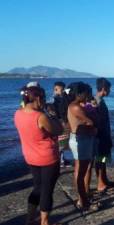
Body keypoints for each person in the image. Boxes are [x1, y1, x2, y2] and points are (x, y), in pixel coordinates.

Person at [15, 85, 62, 225]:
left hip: (30, 156)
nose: (45, 101)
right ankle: (45, 222)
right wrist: (52, 115)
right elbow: (58, 130)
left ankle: (29, 218)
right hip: (47, 158)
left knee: (37, 187)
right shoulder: (40, 116)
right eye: (44, 98)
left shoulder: (18, 113)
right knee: (47, 191)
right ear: (38, 98)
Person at [67, 82, 98, 211]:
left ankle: (82, 198)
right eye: (86, 93)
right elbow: (89, 121)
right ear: (79, 93)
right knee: (81, 173)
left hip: (80, 139)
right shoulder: (75, 107)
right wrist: (93, 127)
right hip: (82, 140)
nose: (87, 95)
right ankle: (84, 202)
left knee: (79, 170)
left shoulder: (74, 106)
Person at [94, 78, 114, 193]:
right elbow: (98, 120)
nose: (110, 91)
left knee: (102, 159)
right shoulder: (97, 101)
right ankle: (101, 184)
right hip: (100, 136)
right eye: (109, 89)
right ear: (103, 89)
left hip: (103, 135)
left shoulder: (99, 100)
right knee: (100, 159)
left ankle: (104, 179)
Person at [53, 81, 71, 167]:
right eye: (56, 89)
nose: (57, 91)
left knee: (62, 143)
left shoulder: (61, 98)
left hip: (61, 122)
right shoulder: (56, 99)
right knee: (60, 143)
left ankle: (62, 159)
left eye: (61, 89)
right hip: (60, 123)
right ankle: (60, 161)